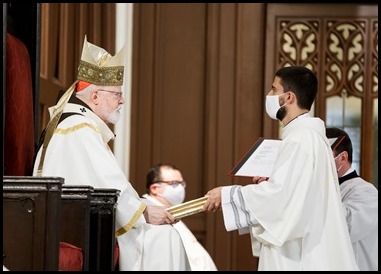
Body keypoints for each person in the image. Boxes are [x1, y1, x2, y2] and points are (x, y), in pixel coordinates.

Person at [33, 36, 191, 271]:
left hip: (78, 218)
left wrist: (142, 210)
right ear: (95, 96)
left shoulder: (77, 124)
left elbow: (105, 184)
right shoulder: (79, 128)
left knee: (165, 236)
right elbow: (108, 185)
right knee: (164, 239)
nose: (123, 100)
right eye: (117, 94)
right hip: (77, 226)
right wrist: (144, 213)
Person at [202, 66, 359, 271]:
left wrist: (227, 194)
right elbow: (294, 194)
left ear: (288, 97)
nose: (269, 95)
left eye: (274, 90)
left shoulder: (301, 138)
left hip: (298, 254)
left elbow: (281, 197)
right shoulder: (308, 136)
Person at [141, 163, 218, 271]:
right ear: (154, 188)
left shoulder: (171, 211)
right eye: (174, 183)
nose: (180, 188)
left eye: (182, 183)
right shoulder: (149, 214)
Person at [326, 127, 378, 271]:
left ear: (342, 157)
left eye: (324, 157)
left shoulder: (366, 192)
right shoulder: (325, 186)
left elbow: (345, 228)